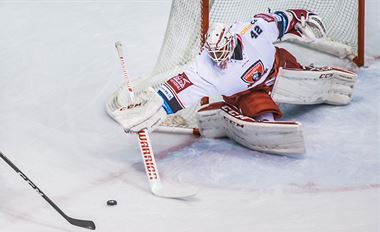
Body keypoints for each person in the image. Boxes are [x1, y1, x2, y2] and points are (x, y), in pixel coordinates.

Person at [112, 9, 356, 154]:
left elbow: (282, 20)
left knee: (291, 66)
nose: (219, 61)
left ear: (231, 42)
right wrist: (159, 105)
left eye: (222, 54)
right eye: (214, 56)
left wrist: (303, 18)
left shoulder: (253, 30)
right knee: (257, 105)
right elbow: (182, 85)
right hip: (247, 91)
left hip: (278, 66)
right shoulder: (204, 67)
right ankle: (263, 120)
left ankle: (306, 73)